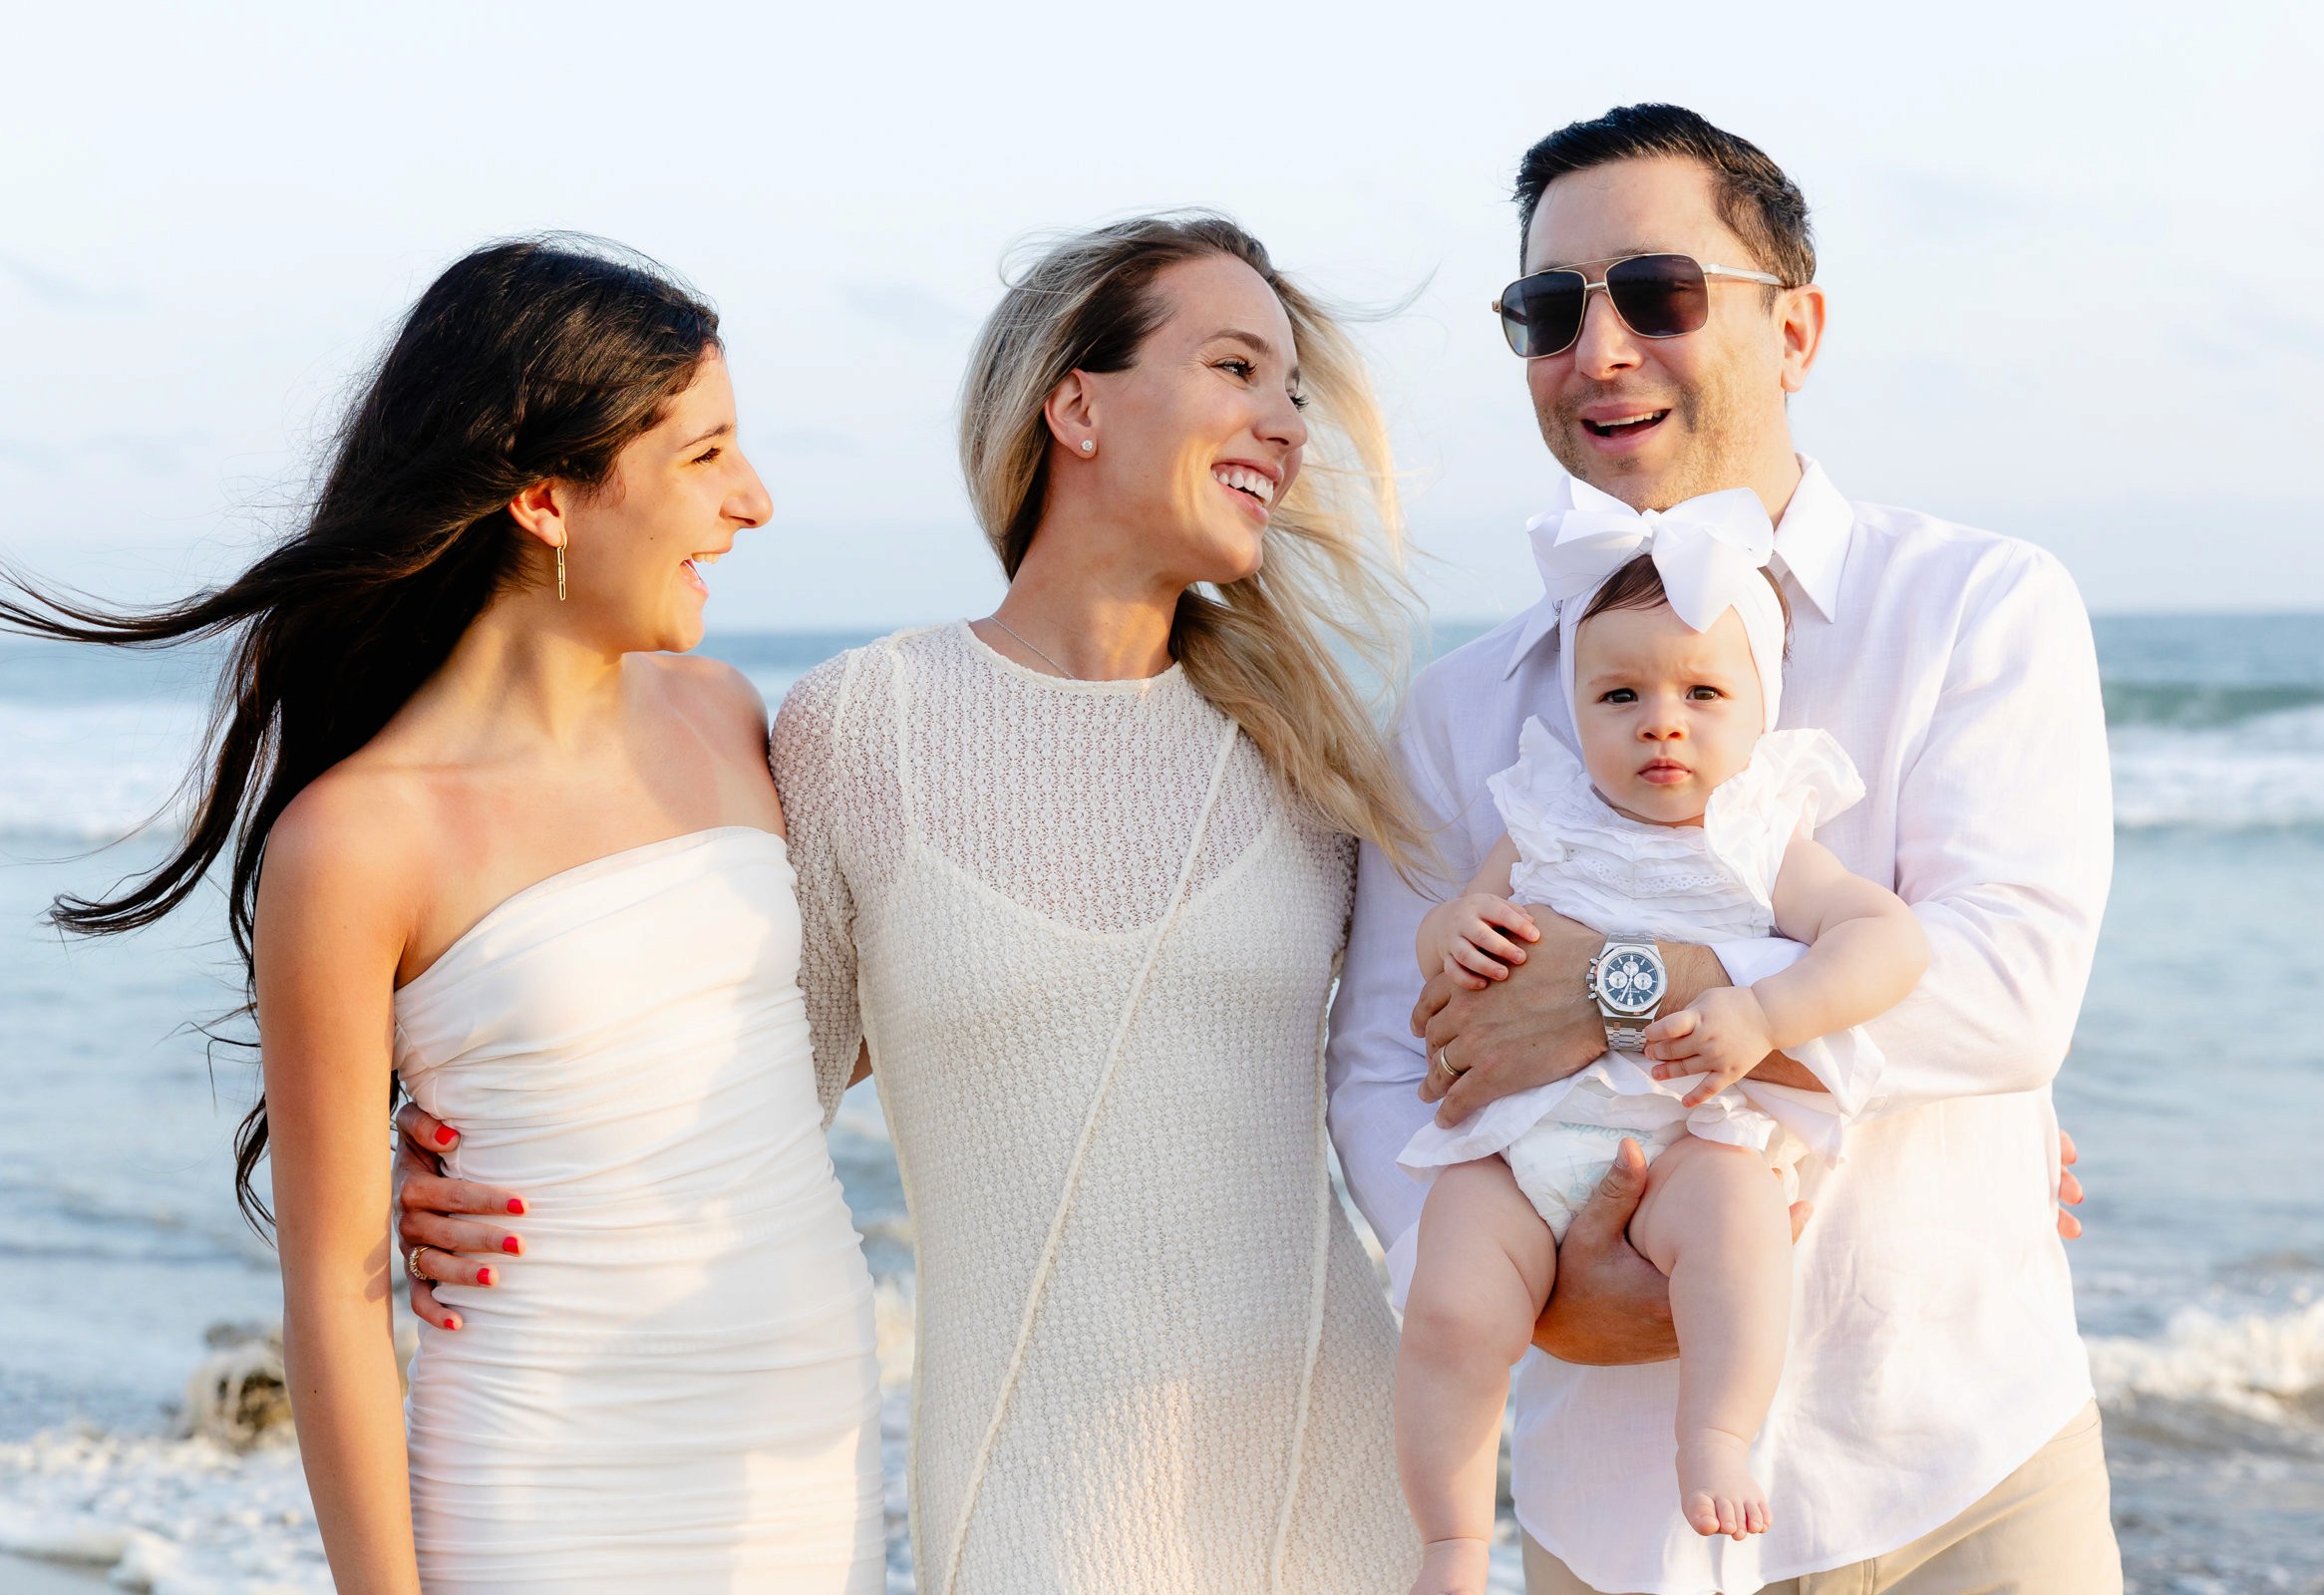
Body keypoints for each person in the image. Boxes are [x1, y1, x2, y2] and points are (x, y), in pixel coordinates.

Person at [397, 212, 1424, 1591]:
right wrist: (447, 1144)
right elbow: (736, 1073)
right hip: (1032, 1504)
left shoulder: (1315, 749)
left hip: (1334, 1470)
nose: (1285, 423)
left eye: (1294, 390)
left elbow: (1432, 1074)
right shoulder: (865, 728)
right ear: (1076, 403)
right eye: (1239, 367)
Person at [5, 239, 882, 1591]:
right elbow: (339, 1303)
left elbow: (820, 1039)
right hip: (546, 1480)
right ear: (546, 496)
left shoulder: (727, 720)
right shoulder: (357, 841)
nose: (755, 500)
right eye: (705, 457)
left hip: (805, 1453)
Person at [1325, 105, 2121, 1595]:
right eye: (1550, 310)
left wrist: (1628, 990)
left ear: (1796, 329)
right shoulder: (1455, 711)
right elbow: (1382, 1064)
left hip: (1958, 1462)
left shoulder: (1978, 607)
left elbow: (2011, 989)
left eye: (1660, 293)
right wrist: (1542, 1283)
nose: (1600, 349)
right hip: (1611, 1507)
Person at [1396, 499, 1928, 1593]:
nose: (1661, 723)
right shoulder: (1542, 812)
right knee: (1449, 1308)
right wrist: (1451, 931)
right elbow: (1444, 929)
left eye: (1703, 694)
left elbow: (1888, 940)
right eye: (1621, 695)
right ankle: (1450, 1538)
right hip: (1521, 1143)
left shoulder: (1761, 833)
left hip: (1689, 1134)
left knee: (1739, 1231)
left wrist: (1770, 1013)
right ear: (1578, 709)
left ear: (1757, 713)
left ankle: (1718, 1434)